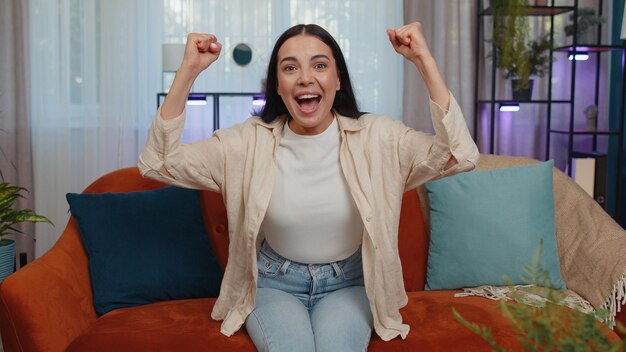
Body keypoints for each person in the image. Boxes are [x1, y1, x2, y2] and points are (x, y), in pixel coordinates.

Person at [139, 22, 479, 352]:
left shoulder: (378, 137)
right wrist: (188, 71)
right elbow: (158, 162)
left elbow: (458, 154)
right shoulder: (247, 142)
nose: (305, 78)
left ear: (337, 79)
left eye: (320, 65)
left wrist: (424, 60)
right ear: (276, 84)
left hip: (349, 284)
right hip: (274, 285)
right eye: (290, 68)